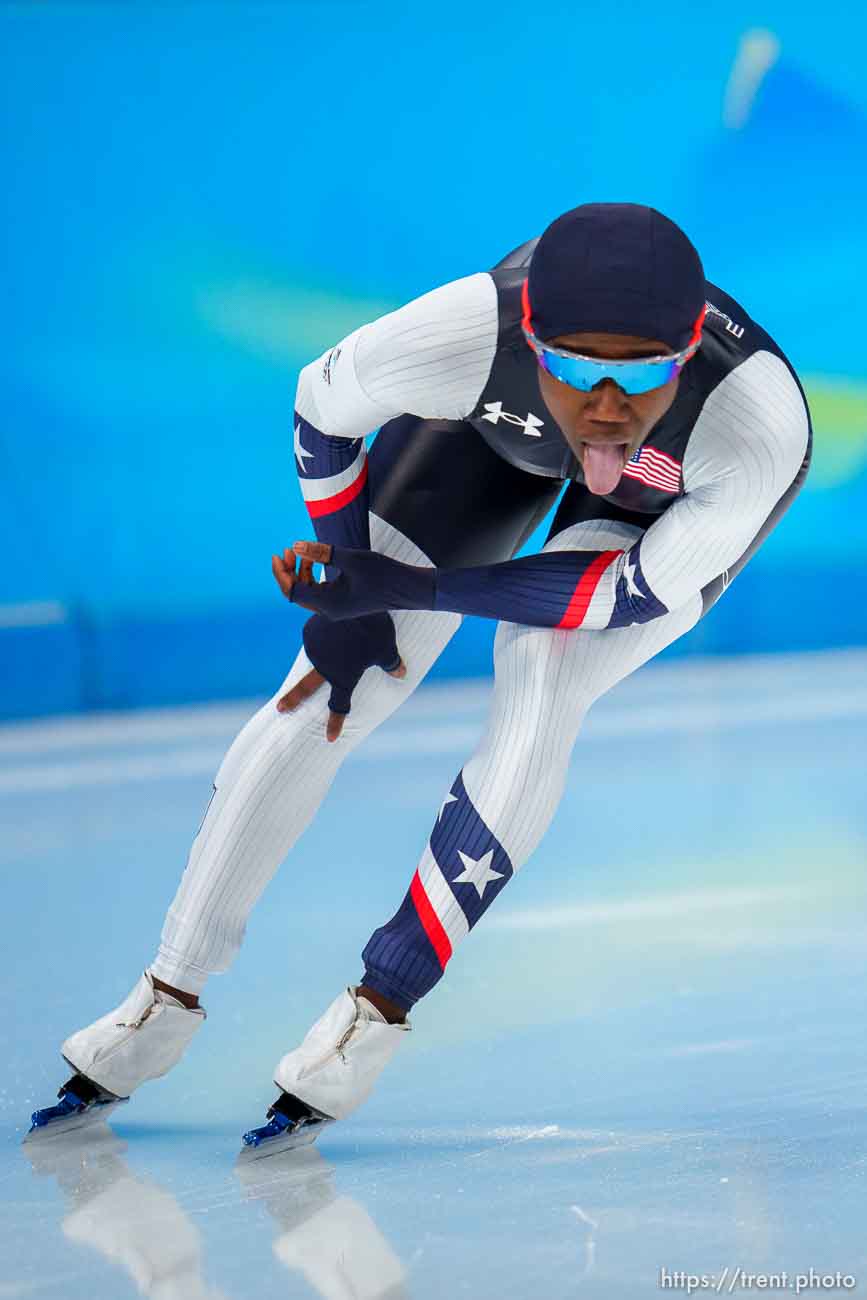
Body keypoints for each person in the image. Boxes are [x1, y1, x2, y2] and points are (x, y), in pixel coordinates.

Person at [30, 204, 811, 1150]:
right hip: (498, 439)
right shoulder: (461, 335)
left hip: (664, 508)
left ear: (687, 354)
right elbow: (322, 413)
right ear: (527, 337)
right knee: (327, 690)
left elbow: (620, 595)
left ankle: (378, 1004)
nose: (605, 406)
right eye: (574, 366)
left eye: (640, 372)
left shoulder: (754, 427)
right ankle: (165, 991)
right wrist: (348, 582)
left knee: (542, 669)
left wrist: (412, 586)